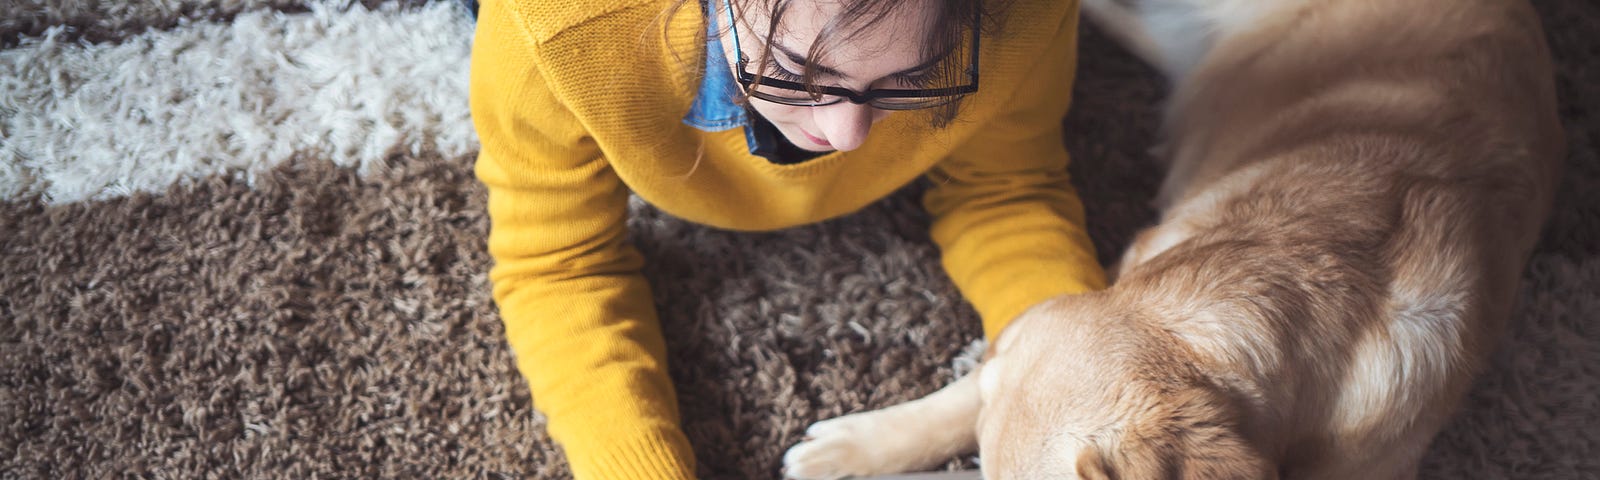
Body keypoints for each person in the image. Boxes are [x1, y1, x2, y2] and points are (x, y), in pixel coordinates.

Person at [468, 0, 1106, 477]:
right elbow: (558, 265)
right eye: (796, 70)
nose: (847, 133)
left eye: (914, 77)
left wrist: (1080, 379)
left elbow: (1007, 191)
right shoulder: (555, 30)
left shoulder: (1027, 13)